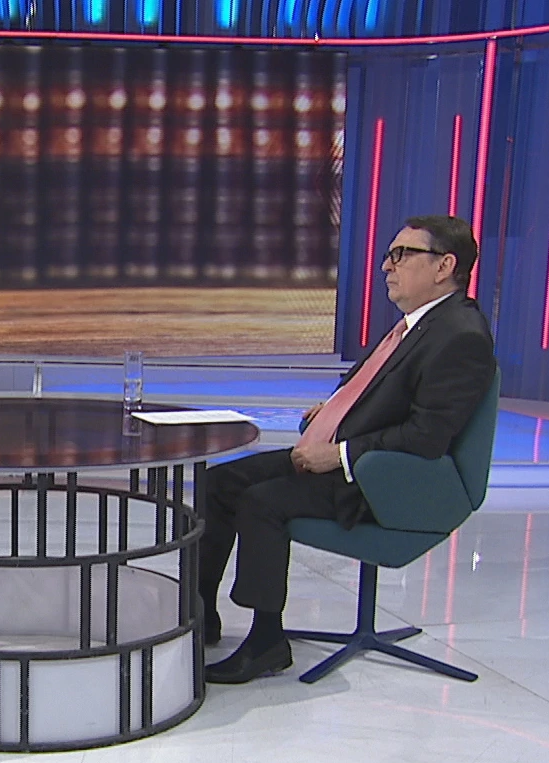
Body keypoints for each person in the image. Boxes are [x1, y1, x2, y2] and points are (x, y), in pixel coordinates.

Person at [199, 215, 496, 685]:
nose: (387, 266)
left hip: (382, 480)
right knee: (218, 483)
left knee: (261, 502)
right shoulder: (417, 326)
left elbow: (426, 436)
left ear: (445, 266)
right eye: (389, 255)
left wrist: (339, 453)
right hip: (349, 457)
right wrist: (335, 410)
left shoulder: (461, 336)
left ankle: (266, 641)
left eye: (402, 255)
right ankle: (201, 614)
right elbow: (382, 396)